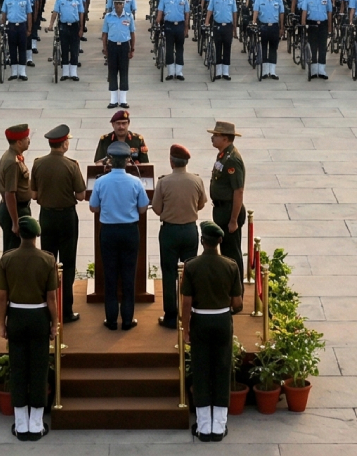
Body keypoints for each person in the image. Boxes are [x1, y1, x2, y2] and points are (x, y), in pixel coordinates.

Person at [0, 214, 57, 442]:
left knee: (18, 368)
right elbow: (51, 298)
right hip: (39, 317)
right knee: (39, 369)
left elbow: (2, 297)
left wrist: (2, 324)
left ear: (19, 234)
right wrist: (54, 324)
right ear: (37, 235)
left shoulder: (7, 259)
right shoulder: (47, 260)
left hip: (17, 317)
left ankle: (21, 424)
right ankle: (36, 425)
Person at [182, 221, 244, 443]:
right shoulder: (231, 266)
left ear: (202, 241)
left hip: (200, 321)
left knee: (201, 370)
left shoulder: (191, 266)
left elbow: (186, 303)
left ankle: (204, 427)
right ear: (220, 241)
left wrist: (185, 328)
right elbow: (237, 302)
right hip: (222, 320)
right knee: (221, 368)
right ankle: (218, 426)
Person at [89, 140, 150, 330]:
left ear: (110, 161)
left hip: (108, 231)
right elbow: (142, 208)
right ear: (127, 161)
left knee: (110, 275)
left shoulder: (100, 181)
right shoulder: (135, 182)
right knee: (128, 275)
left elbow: (93, 207)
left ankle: (111, 319)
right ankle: (128, 319)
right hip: (129, 231)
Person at [30, 124, 85, 322]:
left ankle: (49, 307)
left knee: (49, 262)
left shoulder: (38, 164)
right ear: (64, 144)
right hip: (67, 218)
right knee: (68, 264)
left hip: (47, 217)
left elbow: (34, 194)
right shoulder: (72, 165)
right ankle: (66, 310)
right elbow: (80, 195)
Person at [151, 143, 207, 330]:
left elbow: (157, 209)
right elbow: (201, 205)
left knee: (169, 274)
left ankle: (170, 317)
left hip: (170, 232)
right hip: (190, 230)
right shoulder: (196, 181)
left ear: (171, 161)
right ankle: (189, 314)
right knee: (189, 274)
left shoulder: (164, 182)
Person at [207, 121, 245, 276]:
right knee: (225, 252)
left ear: (225, 138)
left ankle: (237, 294)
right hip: (221, 209)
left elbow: (238, 191)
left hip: (229, 210)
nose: (212, 138)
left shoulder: (232, 159)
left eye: (216, 135)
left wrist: (233, 220)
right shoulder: (223, 154)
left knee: (232, 255)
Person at [0, 123, 33, 252]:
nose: (29, 141)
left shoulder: (14, 157)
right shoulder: (12, 162)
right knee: (14, 251)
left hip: (18, 209)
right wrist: (15, 222)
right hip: (15, 211)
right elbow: (10, 193)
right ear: (19, 142)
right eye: (26, 138)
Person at [101, 0, 135, 109]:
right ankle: (113, 100)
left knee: (124, 72)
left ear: (124, 4)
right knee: (112, 72)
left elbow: (132, 33)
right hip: (112, 46)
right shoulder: (108, 17)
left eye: (120, 3)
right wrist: (105, 48)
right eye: (116, 3)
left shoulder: (128, 16)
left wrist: (132, 49)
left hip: (124, 46)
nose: (118, 6)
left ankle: (123, 100)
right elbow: (104, 34)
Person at [157, 0, 189, 81]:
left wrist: (186, 27)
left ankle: (179, 72)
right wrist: (158, 22)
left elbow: (187, 13)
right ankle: (170, 72)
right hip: (169, 25)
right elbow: (160, 12)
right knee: (169, 49)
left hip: (180, 25)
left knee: (180, 48)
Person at [0, 0, 32, 81]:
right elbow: (4, 14)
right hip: (11, 26)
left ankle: (22, 72)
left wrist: (29, 28)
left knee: (22, 48)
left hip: (22, 25)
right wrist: (2, 24)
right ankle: (14, 72)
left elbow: (29, 14)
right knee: (12, 49)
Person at [252, 0, 284, 80]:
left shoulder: (278, 0)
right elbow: (256, 11)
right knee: (264, 48)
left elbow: (281, 14)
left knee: (273, 49)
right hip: (264, 26)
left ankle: (272, 71)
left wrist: (282, 27)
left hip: (274, 26)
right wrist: (254, 22)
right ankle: (265, 71)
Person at [205, 0, 236, 81]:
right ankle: (218, 71)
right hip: (217, 25)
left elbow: (234, 13)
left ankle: (226, 71)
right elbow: (210, 10)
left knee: (227, 47)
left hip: (228, 26)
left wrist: (235, 27)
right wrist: (207, 22)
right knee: (218, 47)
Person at [301, 0, 332, 79]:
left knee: (322, 47)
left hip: (323, 24)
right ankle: (314, 70)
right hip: (312, 24)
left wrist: (330, 27)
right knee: (313, 47)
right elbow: (304, 11)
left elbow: (329, 13)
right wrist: (303, 24)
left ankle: (322, 70)